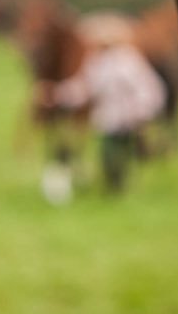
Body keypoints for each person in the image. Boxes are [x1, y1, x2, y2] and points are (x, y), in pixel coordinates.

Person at [45, 15, 166, 193]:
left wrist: (142, 112)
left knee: (118, 158)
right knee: (108, 156)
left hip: (127, 121)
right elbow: (84, 87)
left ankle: (118, 190)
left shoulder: (129, 62)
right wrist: (57, 95)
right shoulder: (97, 62)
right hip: (108, 121)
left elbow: (149, 89)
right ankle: (113, 190)